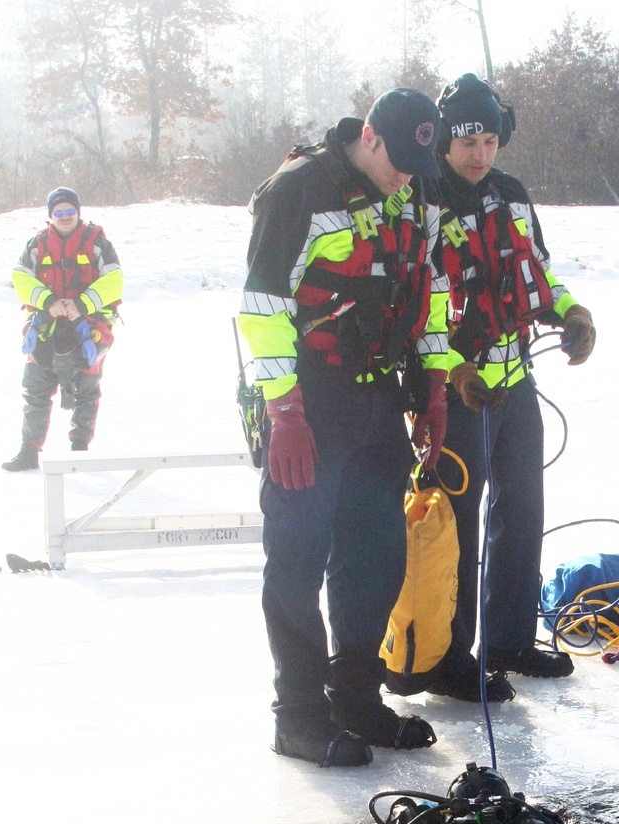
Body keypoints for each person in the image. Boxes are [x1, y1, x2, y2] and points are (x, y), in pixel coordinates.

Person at [238, 89, 452, 767]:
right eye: (398, 159)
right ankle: (297, 716)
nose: (406, 175)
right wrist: (285, 412)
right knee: (297, 561)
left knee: (375, 555)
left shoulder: (414, 193)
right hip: (307, 399)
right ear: (369, 134)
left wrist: (435, 384)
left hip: (375, 401)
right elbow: (262, 304)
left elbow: (430, 293)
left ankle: (356, 697)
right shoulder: (300, 188)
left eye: (421, 162)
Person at [386, 73, 596, 704]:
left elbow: (540, 275)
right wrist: (450, 370)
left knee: (522, 511)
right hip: (455, 391)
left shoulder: (512, 194)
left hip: (515, 380)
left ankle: (508, 641)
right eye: (465, 140)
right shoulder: (421, 197)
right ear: (444, 142)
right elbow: (412, 304)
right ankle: (452, 656)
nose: (478, 152)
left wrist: (573, 314)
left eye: (487, 139)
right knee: (455, 521)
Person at [3, 188, 122, 471]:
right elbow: (20, 278)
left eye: (70, 212)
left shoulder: (98, 243)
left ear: (78, 212)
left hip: (89, 328)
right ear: (50, 216)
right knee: (35, 388)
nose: (65, 217)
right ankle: (29, 451)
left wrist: (81, 304)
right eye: (59, 213)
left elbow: (114, 280)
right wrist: (47, 302)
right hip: (47, 326)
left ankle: (79, 451)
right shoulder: (36, 244)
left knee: (86, 391)